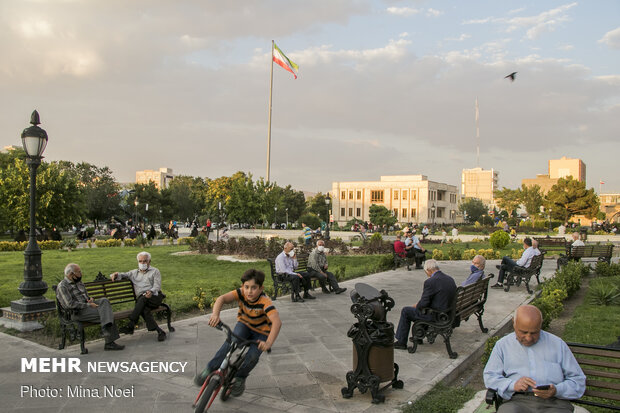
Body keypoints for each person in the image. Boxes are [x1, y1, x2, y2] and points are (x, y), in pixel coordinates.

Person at [194, 269, 282, 397]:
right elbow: (222, 298)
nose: (249, 291)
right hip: (245, 325)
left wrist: (268, 342)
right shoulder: (241, 293)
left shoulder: (265, 302)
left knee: (252, 356)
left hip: (261, 332)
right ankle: (210, 368)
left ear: (261, 288)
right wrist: (215, 315)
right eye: (246, 287)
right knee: (231, 341)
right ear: (242, 286)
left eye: (254, 288)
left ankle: (240, 378)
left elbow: (277, 322)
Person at [484, 305, 585, 412]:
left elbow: (577, 381)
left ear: (540, 324)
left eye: (534, 333)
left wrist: (556, 390)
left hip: (554, 402)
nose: (528, 338)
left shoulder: (557, 344)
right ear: (514, 323)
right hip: (517, 400)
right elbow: (490, 377)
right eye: (523, 332)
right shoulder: (503, 345)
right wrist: (513, 385)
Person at [56, 263, 124, 351]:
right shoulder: (63, 286)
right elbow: (70, 304)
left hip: (87, 307)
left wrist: (89, 300)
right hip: (77, 312)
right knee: (107, 313)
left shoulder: (78, 282)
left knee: (104, 301)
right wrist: (87, 305)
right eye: (79, 272)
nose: (81, 274)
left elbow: (86, 297)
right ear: (71, 274)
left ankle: (106, 333)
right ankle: (109, 342)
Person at [393, 260, 457, 349]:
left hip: (436, 316)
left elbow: (423, 303)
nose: (427, 274)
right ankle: (419, 335)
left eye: (426, 272)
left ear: (428, 270)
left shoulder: (430, 282)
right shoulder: (449, 279)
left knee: (406, 311)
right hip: (447, 313)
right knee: (423, 310)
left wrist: (417, 305)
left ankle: (401, 341)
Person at [110, 252, 167, 341]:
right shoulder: (134, 273)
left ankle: (131, 324)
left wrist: (151, 291)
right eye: (140, 261)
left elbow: (157, 286)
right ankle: (160, 332)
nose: (142, 263)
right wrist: (116, 274)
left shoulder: (155, 271)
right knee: (144, 309)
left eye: (145, 261)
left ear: (149, 261)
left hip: (154, 297)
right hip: (142, 300)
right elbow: (122, 275)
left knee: (142, 299)